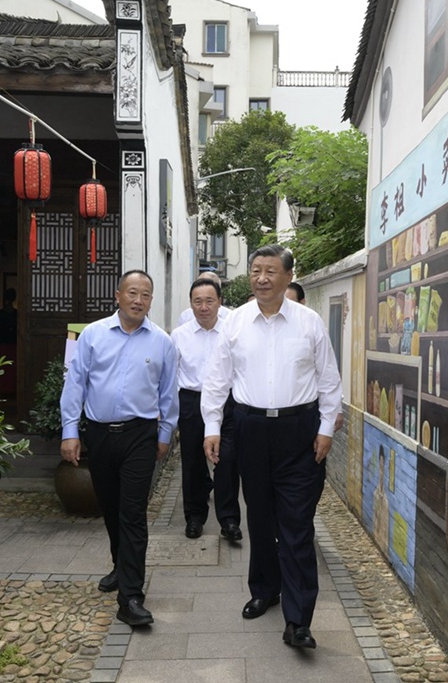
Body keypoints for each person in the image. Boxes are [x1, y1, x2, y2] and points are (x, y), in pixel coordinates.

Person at [202, 244, 342, 650]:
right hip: (250, 428)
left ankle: (299, 620)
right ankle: (265, 589)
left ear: (287, 276)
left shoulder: (309, 323)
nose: (261, 278)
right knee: (259, 516)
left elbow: (329, 380)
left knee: (296, 523)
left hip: (299, 431)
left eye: (270, 271)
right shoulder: (236, 323)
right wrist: (212, 426)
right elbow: (216, 380)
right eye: (256, 270)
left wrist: (326, 428)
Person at [60, 270, 178, 628]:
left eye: (145, 294)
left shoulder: (162, 342)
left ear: (151, 301)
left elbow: (168, 393)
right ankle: (119, 564)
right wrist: (69, 431)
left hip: (140, 435)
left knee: (132, 512)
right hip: (99, 434)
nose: (138, 300)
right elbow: (75, 383)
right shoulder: (93, 335)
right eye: (132, 293)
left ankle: (131, 597)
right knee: (110, 508)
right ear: (118, 295)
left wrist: (165, 434)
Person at [171, 278, 241, 541]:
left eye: (209, 301)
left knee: (227, 461)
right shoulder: (179, 335)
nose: (203, 307)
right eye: (197, 301)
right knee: (192, 462)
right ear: (190, 304)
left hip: (227, 403)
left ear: (219, 302)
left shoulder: (232, 332)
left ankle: (230, 520)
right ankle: (194, 517)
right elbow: (171, 375)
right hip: (191, 402)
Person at [284, 282, 344, 433]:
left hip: (305, 413)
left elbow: (327, 371)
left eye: (290, 302)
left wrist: (337, 409)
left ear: (302, 303)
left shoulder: (312, 325)